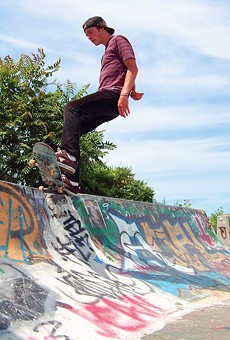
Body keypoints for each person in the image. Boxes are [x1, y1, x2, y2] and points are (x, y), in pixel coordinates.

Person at [56, 16, 144, 195]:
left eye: (91, 32)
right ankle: (72, 183)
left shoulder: (119, 40)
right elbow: (124, 71)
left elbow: (132, 68)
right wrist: (132, 90)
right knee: (74, 130)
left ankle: (69, 157)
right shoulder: (106, 53)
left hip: (112, 95)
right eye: (87, 36)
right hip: (111, 100)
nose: (89, 37)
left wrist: (124, 94)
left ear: (102, 27)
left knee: (72, 108)